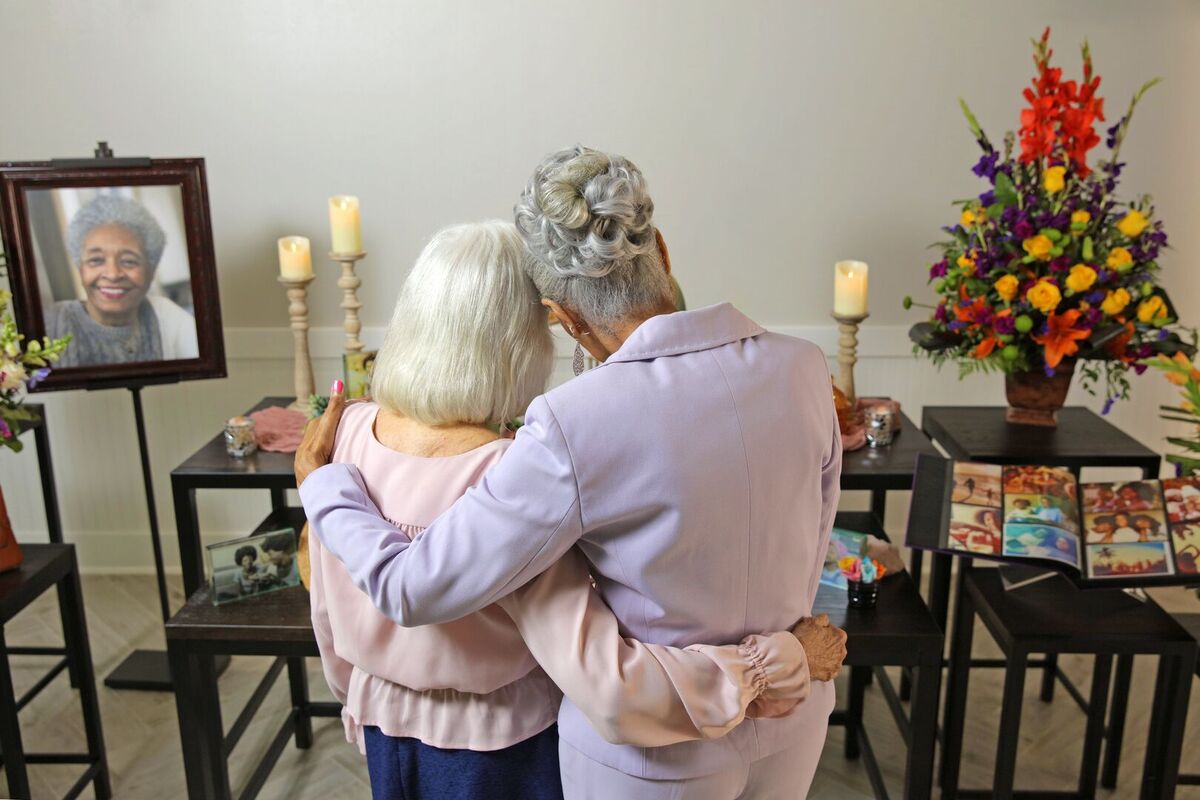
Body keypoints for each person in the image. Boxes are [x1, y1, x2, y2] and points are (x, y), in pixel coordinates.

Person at [298, 146, 844, 798]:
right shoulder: (804, 367)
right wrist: (784, 661)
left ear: (564, 319)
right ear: (662, 252)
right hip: (795, 722)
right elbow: (814, 547)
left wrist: (320, 483)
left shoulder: (571, 423)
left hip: (653, 761)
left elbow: (410, 586)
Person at [47, 194, 198, 367]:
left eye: (129, 261)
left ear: (151, 270)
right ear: (80, 267)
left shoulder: (166, 316)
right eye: (96, 260)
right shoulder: (52, 321)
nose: (112, 274)